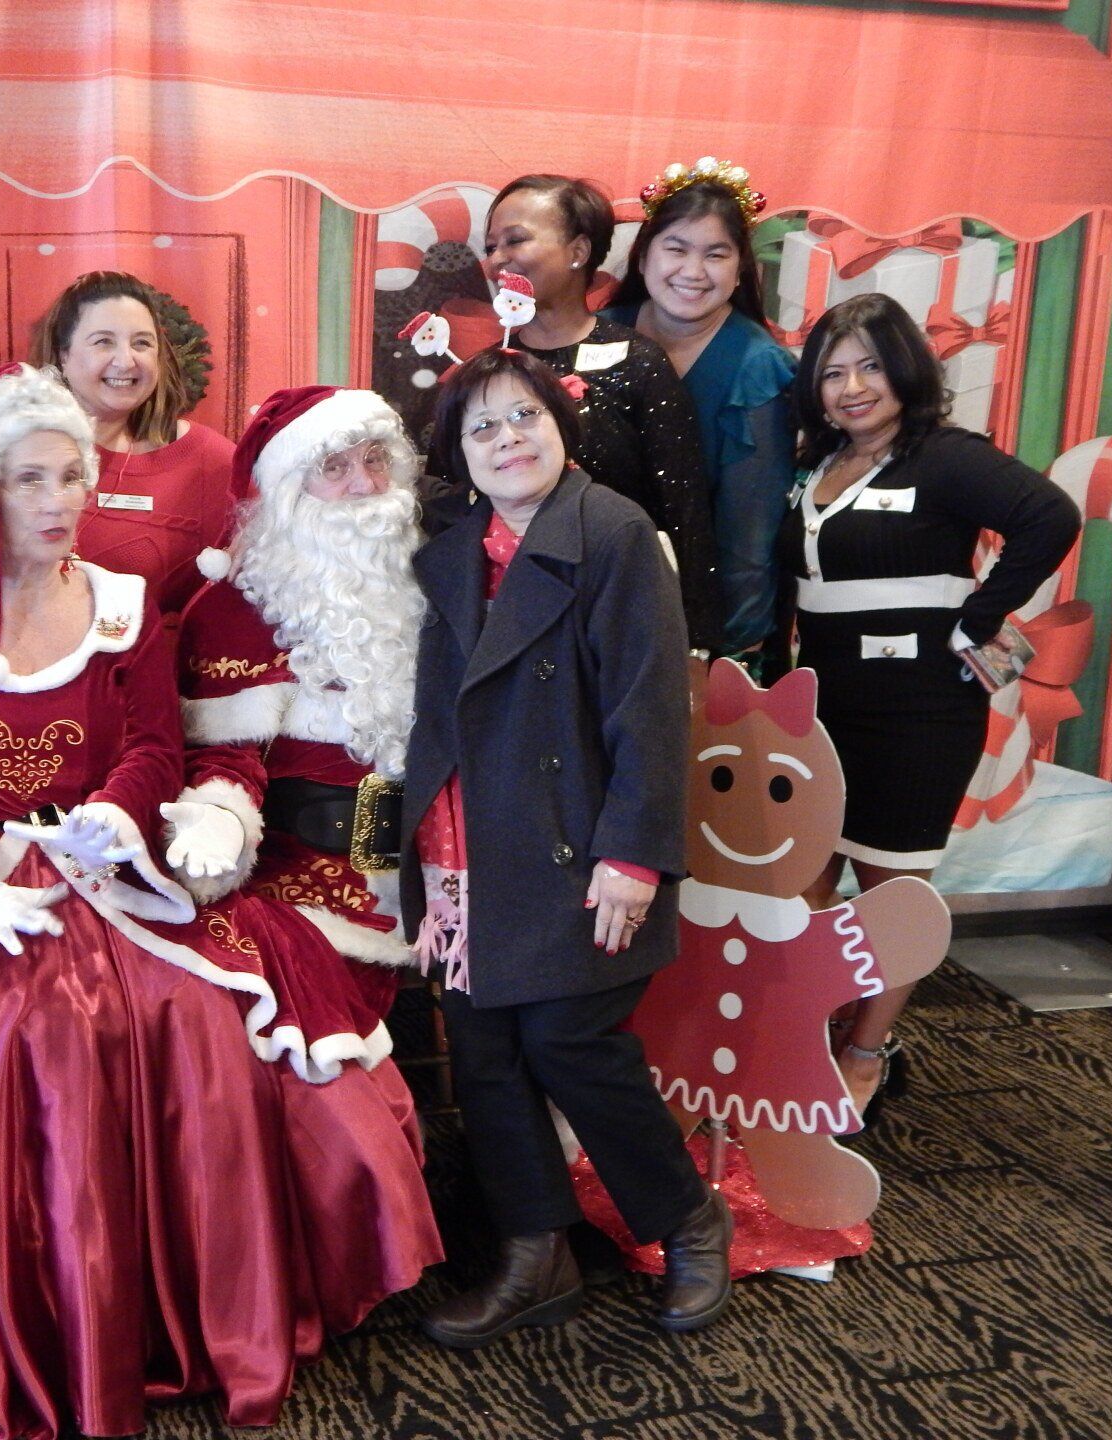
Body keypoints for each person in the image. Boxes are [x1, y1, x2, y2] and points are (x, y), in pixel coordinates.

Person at [0, 365, 439, 1438]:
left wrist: (118, 817)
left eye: (72, 475)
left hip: (108, 875)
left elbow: (159, 744)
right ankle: (7, 1321)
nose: (61, 499)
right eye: (32, 480)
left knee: (195, 1019)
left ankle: (177, 1313)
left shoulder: (124, 611)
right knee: (5, 1027)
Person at [403, 346, 733, 1347]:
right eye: (483, 428)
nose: (508, 440)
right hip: (465, 845)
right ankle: (533, 1250)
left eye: (524, 418)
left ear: (561, 424)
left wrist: (632, 856)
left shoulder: (615, 533)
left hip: (577, 845)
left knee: (569, 1043)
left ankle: (687, 1221)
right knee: (489, 1056)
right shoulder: (452, 544)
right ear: (458, 454)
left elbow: (652, 715)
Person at [781, 294, 1079, 1112]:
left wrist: (979, 618)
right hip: (824, 707)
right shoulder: (813, 464)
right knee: (804, 882)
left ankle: (868, 1052)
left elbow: (1050, 515)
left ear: (907, 368)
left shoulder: (945, 456)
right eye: (833, 372)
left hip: (917, 713)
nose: (851, 387)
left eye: (870, 366)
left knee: (891, 892)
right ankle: (806, 1032)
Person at [166, 386, 431, 1052]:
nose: (364, 486)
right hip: (295, 880)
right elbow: (221, 761)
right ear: (287, 492)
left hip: (439, 878)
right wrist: (216, 823)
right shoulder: (235, 608)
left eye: (375, 461)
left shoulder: (437, 582)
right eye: (335, 467)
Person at [0, 270, 236, 690]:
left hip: (120, 698)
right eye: (103, 341)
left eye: (142, 343)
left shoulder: (207, 463)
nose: (126, 360)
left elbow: (235, 589)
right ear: (63, 355)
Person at [481, 173, 721, 651]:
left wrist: (695, 645)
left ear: (578, 251)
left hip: (617, 619)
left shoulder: (639, 361)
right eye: (491, 247)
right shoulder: (485, 374)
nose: (497, 260)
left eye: (516, 240)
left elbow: (684, 512)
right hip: (508, 620)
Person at [607, 158, 796, 668]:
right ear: (644, 256)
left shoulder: (758, 369)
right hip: (593, 606)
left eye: (716, 254)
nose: (693, 272)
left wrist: (730, 649)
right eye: (676, 248)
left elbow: (749, 535)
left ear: (739, 272)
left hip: (701, 628)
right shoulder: (595, 335)